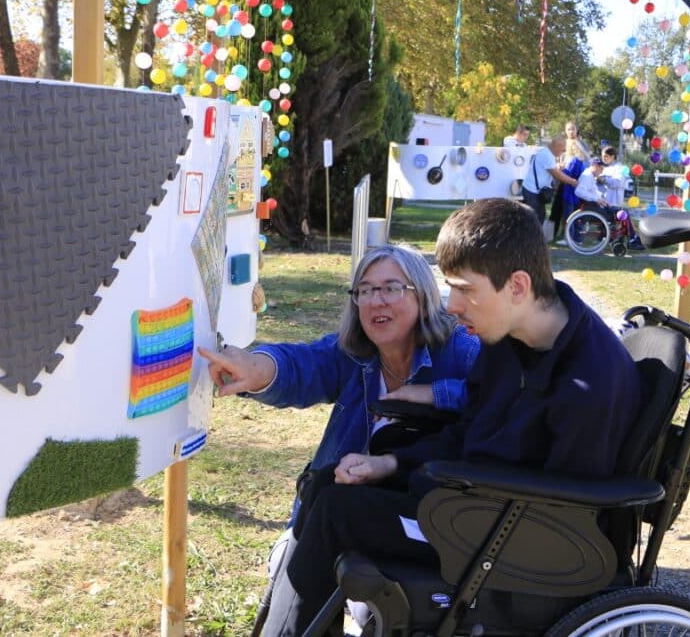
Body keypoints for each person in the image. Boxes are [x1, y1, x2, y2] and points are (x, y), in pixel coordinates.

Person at [256, 198, 642, 636]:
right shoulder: (508, 339)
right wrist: (392, 465)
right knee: (326, 482)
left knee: (337, 513)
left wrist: (441, 489)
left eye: (465, 289)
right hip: (471, 503)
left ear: (517, 286)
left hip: (514, 540)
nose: (453, 305)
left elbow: (560, 508)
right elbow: (467, 432)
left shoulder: (587, 381)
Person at [197, 244, 479, 527]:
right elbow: (303, 365)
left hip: (437, 512)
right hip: (348, 505)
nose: (376, 301)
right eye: (365, 290)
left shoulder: (462, 349)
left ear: (423, 295)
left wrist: (434, 393)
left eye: (392, 288)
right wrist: (256, 369)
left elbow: (505, 397)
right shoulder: (354, 355)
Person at [573, 158, 643, 250]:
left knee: (622, 211)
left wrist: (602, 199)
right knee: (623, 213)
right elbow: (579, 191)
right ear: (595, 166)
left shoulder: (590, 176)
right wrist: (597, 199)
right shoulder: (587, 176)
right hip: (592, 208)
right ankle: (632, 239)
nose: (601, 172)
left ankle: (631, 238)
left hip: (595, 206)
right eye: (601, 169)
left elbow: (594, 192)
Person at [550, 121, 592, 243]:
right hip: (564, 179)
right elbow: (559, 158)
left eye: (573, 129)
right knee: (561, 209)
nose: (570, 132)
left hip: (573, 180)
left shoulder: (579, 144)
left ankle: (571, 236)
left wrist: (565, 169)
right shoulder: (564, 143)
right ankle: (562, 233)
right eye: (568, 129)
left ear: (577, 130)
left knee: (571, 209)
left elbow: (583, 160)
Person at [520, 133, 570, 224]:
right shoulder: (547, 156)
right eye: (563, 150)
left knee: (538, 216)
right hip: (533, 192)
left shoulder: (546, 152)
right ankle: (533, 237)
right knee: (535, 220)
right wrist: (573, 182)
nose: (562, 152)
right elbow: (558, 175)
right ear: (557, 146)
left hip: (532, 190)